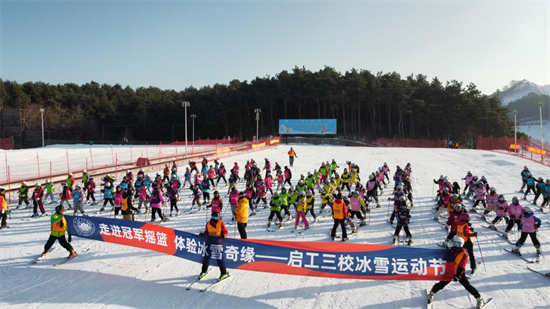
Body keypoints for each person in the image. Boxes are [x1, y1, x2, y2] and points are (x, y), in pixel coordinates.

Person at [427, 236, 486, 308]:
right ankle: (431, 293)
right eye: (453, 243)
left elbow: (461, 266)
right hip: (449, 272)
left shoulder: (464, 254)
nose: (454, 245)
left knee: (468, 286)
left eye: (456, 244)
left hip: (460, 273)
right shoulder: (450, 251)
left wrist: (458, 275)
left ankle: (480, 299)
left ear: (460, 245)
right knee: (441, 284)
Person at [198, 212, 229, 281]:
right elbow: (207, 231)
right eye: (215, 217)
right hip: (209, 242)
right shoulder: (208, 223)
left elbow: (225, 231)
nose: (217, 219)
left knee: (219, 258)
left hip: (218, 243)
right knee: (206, 257)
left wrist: (224, 235)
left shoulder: (221, 223)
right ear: (212, 217)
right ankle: (204, 271)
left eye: (218, 217)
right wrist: (203, 234)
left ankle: (224, 273)